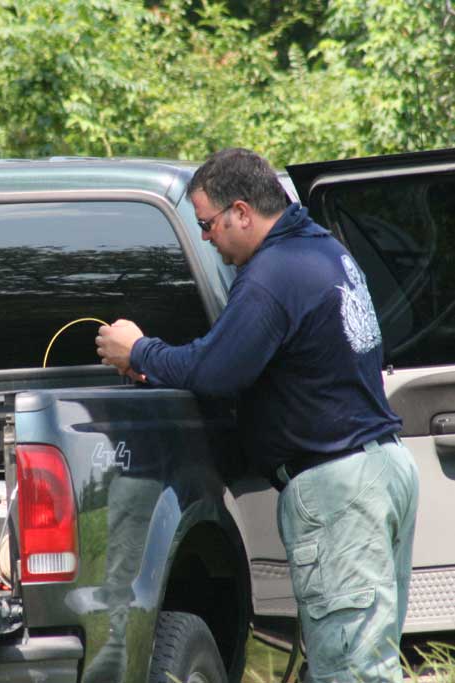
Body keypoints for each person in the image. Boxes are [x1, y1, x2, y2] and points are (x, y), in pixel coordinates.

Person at [95, 148, 419, 683]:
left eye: (206, 224)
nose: (205, 238)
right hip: (381, 470)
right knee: (366, 659)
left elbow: (217, 370)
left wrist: (140, 352)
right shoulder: (323, 250)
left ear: (242, 212)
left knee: (353, 673)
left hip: (340, 495)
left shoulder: (272, 275)